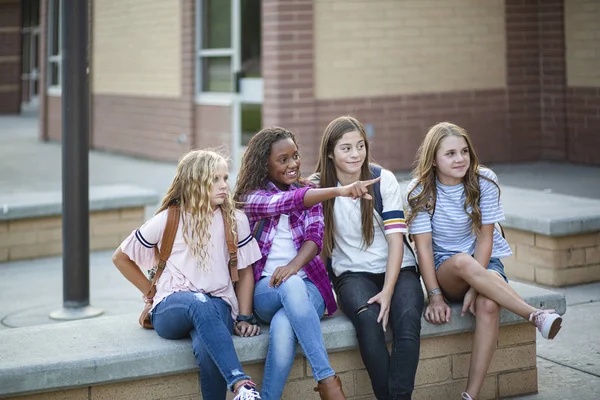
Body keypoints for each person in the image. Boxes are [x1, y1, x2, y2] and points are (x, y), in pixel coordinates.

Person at [406, 122, 563, 400]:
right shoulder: (421, 192)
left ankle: (470, 395)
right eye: (451, 153)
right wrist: (435, 297)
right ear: (433, 159)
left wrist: (477, 288)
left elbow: (485, 239)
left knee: (489, 305)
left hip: (485, 262)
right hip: (447, 269)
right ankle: (534, 315)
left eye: (464, 151)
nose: (460, 159)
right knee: (463, 262)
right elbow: (424, 249)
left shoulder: (484, 181)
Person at [234, 127, 379, 400]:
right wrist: (339, 191)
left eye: (295, 156)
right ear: (264, 163)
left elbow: (315, 238)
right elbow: (284, 202)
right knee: (289, 288)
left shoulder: (309, 191)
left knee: (284, 322)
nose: (293, 165)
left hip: (310, 289)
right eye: (283, 159)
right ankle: (327, 380)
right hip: (266, 289)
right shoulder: (251, 198)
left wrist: (294, 266)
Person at [112, 149, 263, 400]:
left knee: (207, 350)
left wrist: (245, 317)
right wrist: (151, 291)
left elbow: (246, 272)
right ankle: (240, 384)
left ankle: (239, 388)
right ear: (195, 182)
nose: (224, 185)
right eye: (215, 179)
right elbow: (121, 257)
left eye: (225, 178)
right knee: (197, 301)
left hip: (218, 304)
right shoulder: (169, 219)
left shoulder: (235, 220)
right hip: (173, 306)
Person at [311, 116, 423, 400]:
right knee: (368, 324)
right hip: (352, 274)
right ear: (330, 153)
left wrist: (388, 290)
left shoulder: (382, 180)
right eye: (346, 148)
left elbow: (396, 241)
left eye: (360, 146)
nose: (355, 154)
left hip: (398, 269)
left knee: (407, 322)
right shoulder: (319, 187)